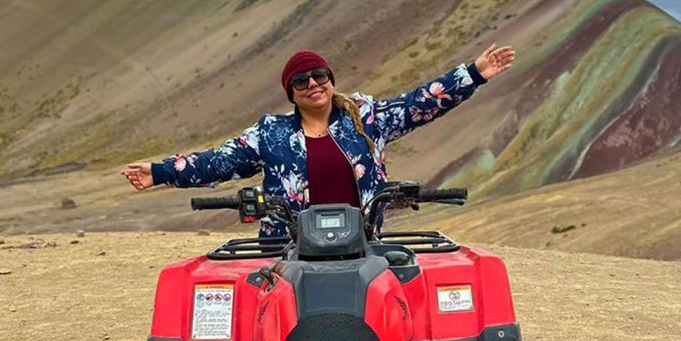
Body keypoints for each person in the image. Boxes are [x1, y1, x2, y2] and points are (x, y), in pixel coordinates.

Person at [122, 45, 515, 236]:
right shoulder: (271, 133)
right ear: (290, 92)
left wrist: (472, 74)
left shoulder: (365, 118)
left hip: (361, 244)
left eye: (320, 76)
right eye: (301, 80)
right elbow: (217, 162)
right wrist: (158, 172)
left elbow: (417, 105)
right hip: (288, 249)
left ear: (331, 81)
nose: (313, 84)